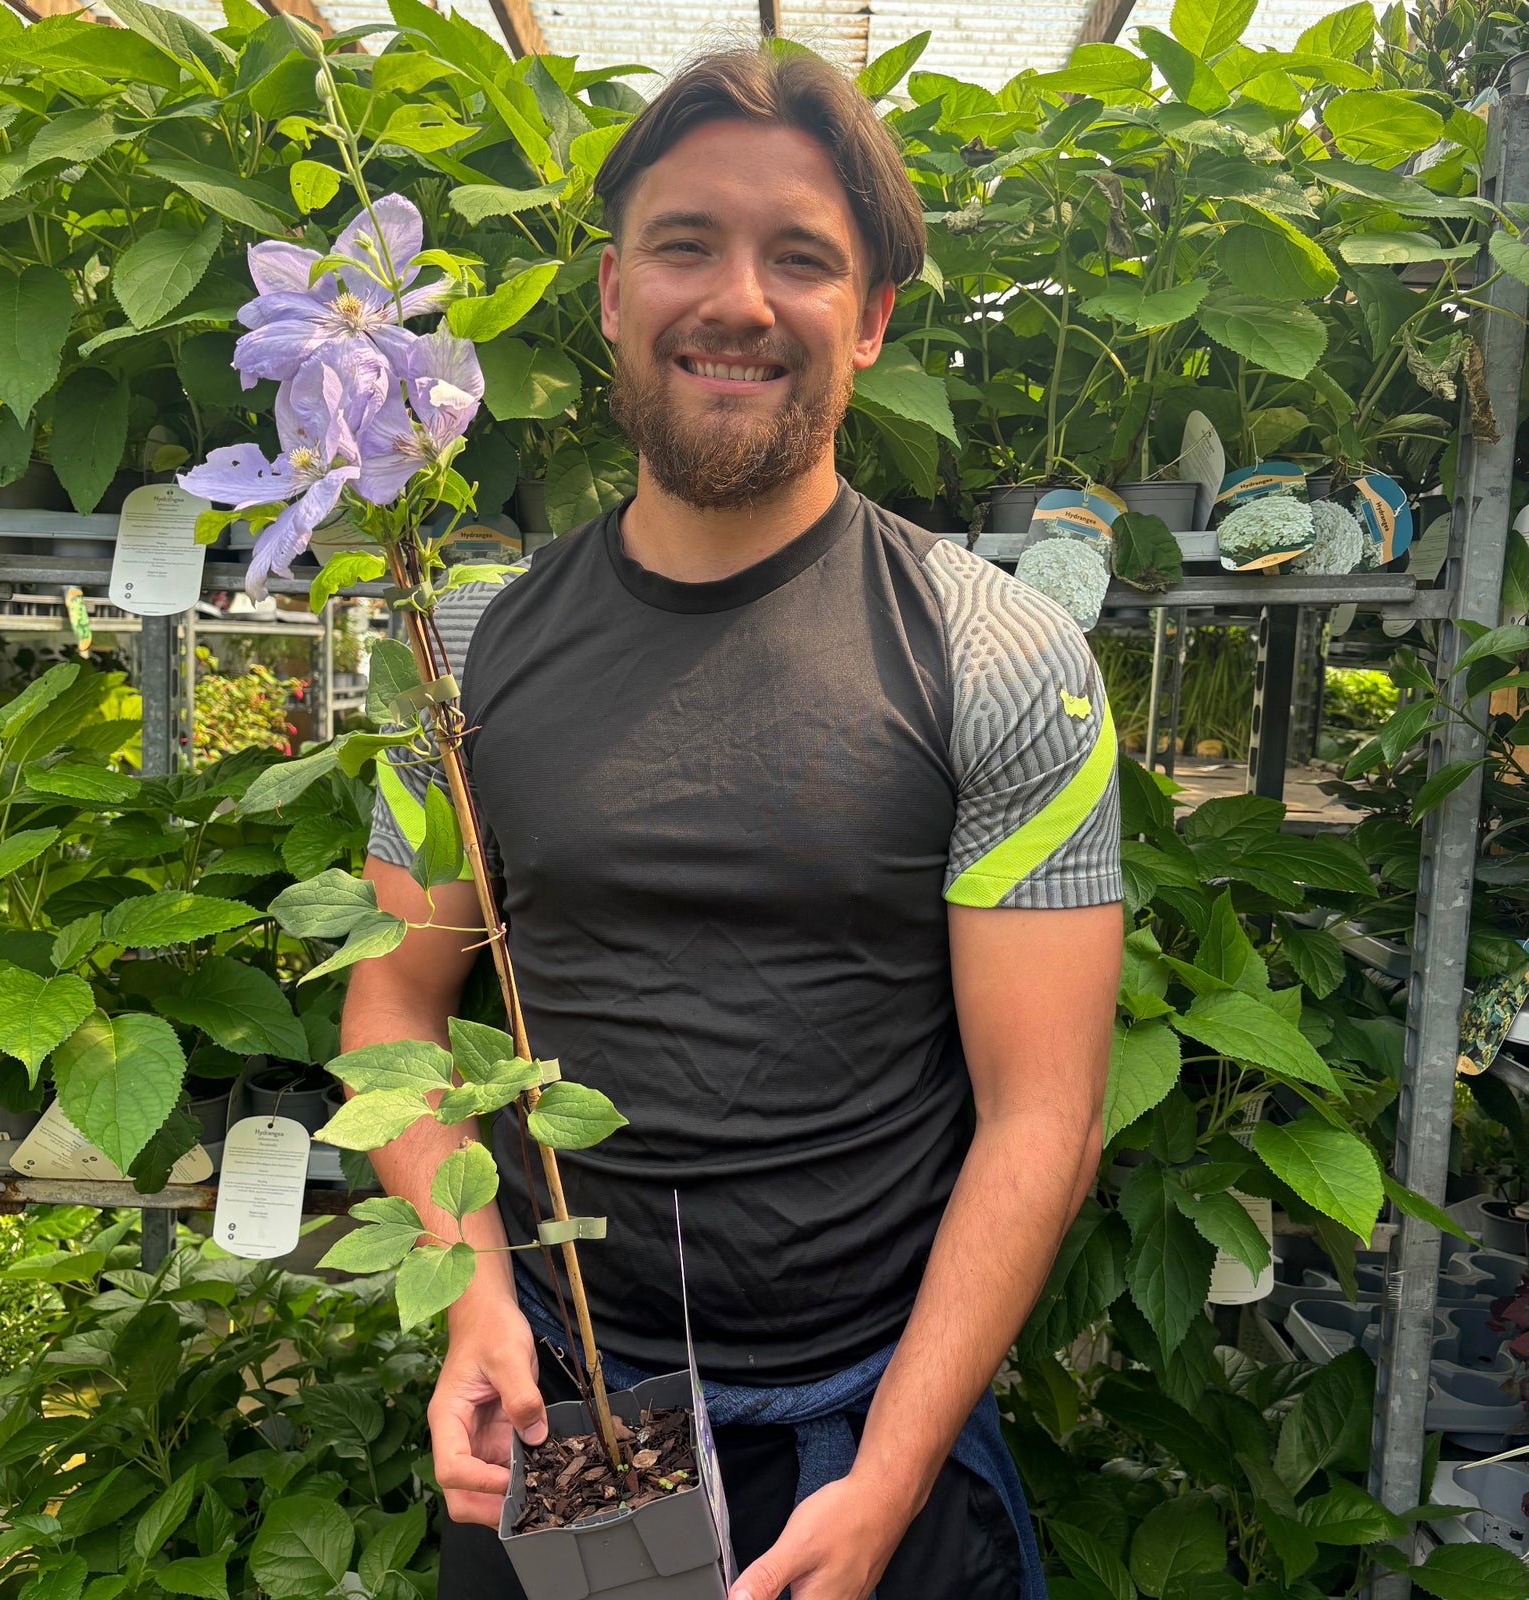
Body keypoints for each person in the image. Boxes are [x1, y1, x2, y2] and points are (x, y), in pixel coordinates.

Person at [346, 43, 1123, 1600]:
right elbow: (393, 1000)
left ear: (874, 317)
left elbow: (1046, 1116)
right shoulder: (468, 650)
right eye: (685, 243)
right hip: (555, 1419)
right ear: (614, 289)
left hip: (864, 1435)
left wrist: (894, 1484)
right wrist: (472, 1295)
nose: (739, 301)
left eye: (804, 260)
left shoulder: (1003, 656)